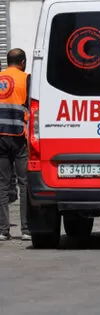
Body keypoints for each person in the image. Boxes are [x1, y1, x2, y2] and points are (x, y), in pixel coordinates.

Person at [0, 49, 30, 240]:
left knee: (2, 184)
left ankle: (3, 231)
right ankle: (26, 230)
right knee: (25, 183)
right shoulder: (26, 78)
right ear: (22, 62)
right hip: (19, 136)